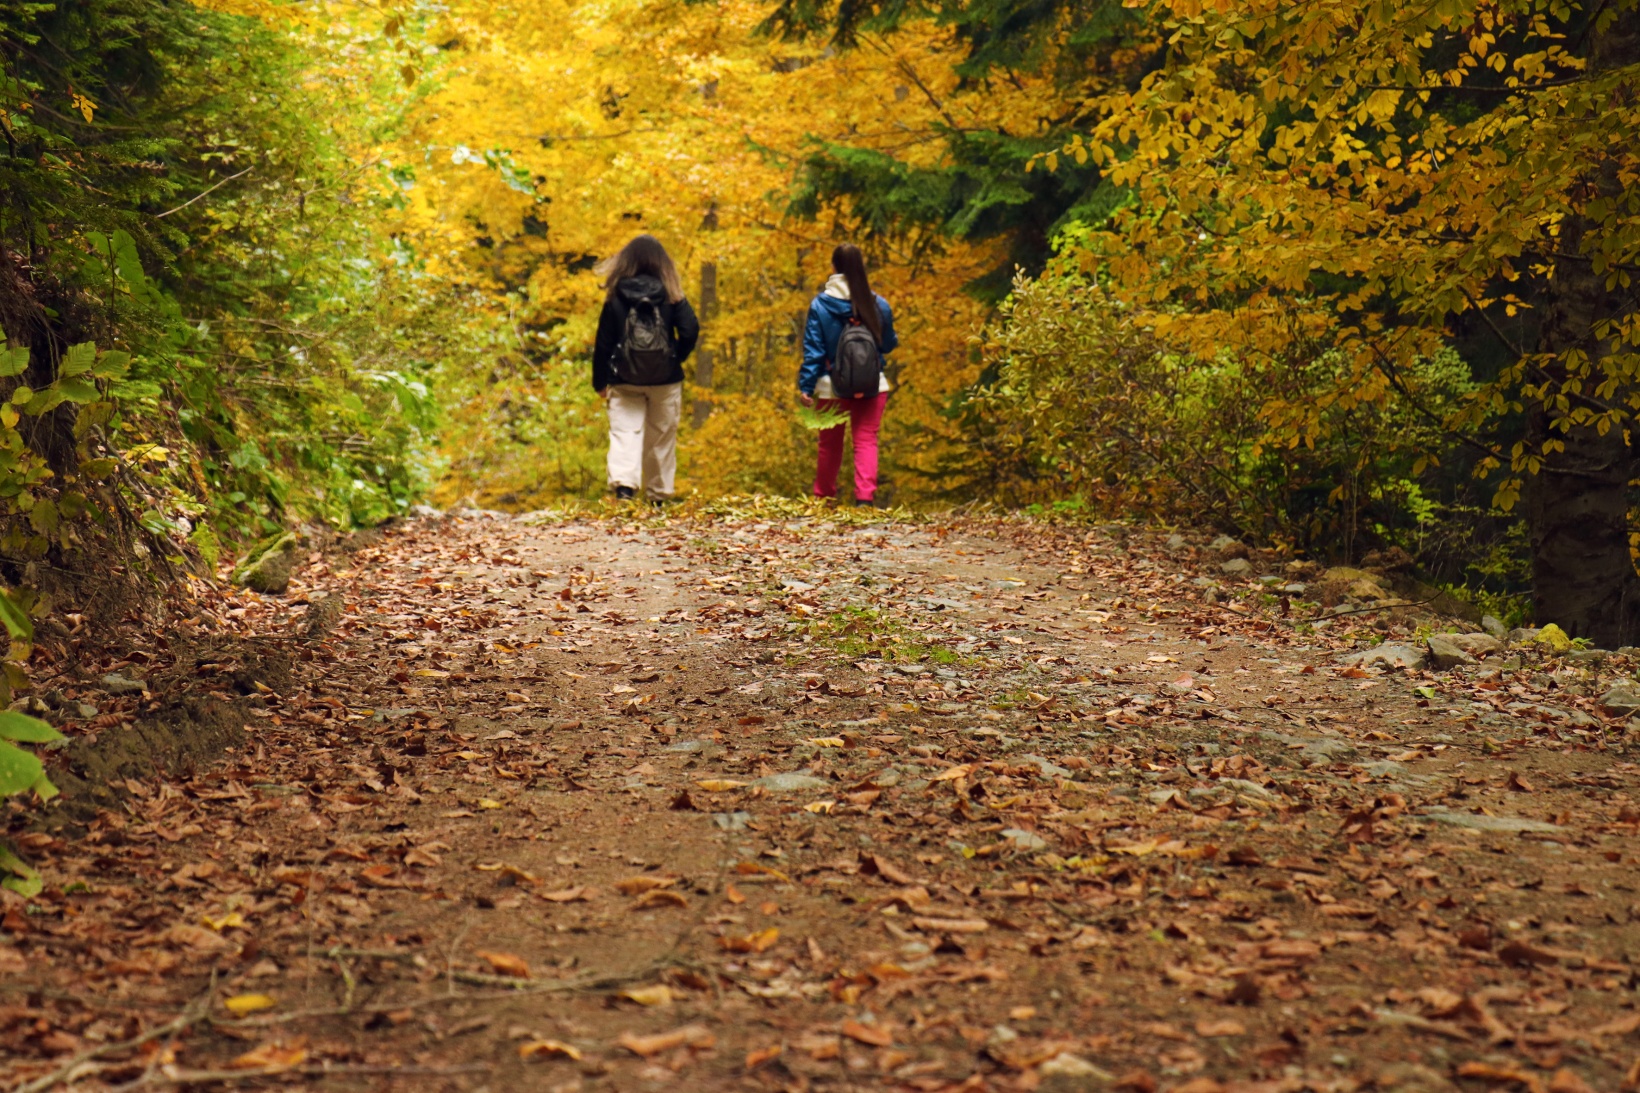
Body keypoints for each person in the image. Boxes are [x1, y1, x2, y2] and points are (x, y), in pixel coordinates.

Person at [592, 235, 700, 502]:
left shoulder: (616, 295)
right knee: (661, 437)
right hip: (666, 378)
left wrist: (600, 382)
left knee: (624, 432)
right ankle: (657, 497)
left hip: (624, 377)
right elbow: (690, 330)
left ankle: (625, 489)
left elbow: (603, 342)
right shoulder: (672, 293)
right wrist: (676, 358)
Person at [798, 244, 899, 506]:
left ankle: (824, 498)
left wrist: (806, 386)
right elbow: (888, 344)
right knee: (866, 440)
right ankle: (864, 500)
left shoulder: (820, 305)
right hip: (872, 384)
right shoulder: (878, 304)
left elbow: (814, 352)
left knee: (829, 443)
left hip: (830, 386)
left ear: (834, 268)